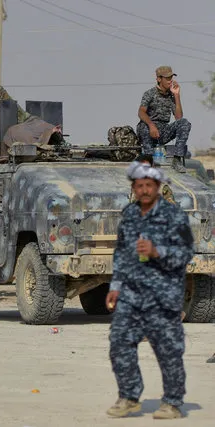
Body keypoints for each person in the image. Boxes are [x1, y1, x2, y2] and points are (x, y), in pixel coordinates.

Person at [105, 161, 194, 419]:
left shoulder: (174, 216)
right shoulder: (129, 215)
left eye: (149, 186)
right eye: (139, 186)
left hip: (162, 295)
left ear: (157, 187)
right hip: (131, 295)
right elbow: (121, 253)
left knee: (168, 350)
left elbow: (186, 252)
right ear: (133, 188)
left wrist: (158, 252)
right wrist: (116, 286)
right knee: (119, 342)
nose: (144, 190)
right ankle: (129, 396)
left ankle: (172, 402)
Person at [136, 66, 191, 173]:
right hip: (149, 129)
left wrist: (176, 95)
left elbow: (179, 117)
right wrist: (151, 126)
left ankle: (177, 159)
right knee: (143, 126)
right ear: (159, 79)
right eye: (167, 78)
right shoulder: (150, 93)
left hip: (163, 131)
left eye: (171, 77)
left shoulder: (171, 96)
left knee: (184, 123)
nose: (170, 81)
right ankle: (149, 160)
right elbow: (141, 112)